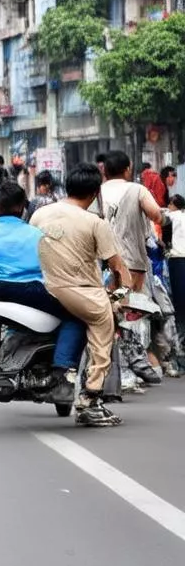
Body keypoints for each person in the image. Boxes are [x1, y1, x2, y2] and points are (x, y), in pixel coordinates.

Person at [0, 181, 87, 404]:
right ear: (24, 206)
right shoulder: (38, 236)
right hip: (29, 293)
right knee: (76, 314)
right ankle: (62, 374)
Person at [32, 164, 130, 427]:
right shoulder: (95, 223)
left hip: (41, 288)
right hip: (81, 292)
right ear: (96, 193)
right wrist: (120, 295)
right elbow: (117, 267)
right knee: (103, 325)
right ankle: (91, 397)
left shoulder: (40, 213)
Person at [101, 151, 163, 291]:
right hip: (131, 262)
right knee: (132, 304)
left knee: (111, 302)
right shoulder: (137, 189)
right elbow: (156, 215)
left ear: (105, 171)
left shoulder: (96, 192)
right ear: (127, 169)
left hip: (102, 264)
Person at [167, 194, 185, 337]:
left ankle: (180, 327)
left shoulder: (172, 217)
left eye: (170, 204)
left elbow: (159, 213)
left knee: (178, 295)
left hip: (177, 259)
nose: (168, 207)